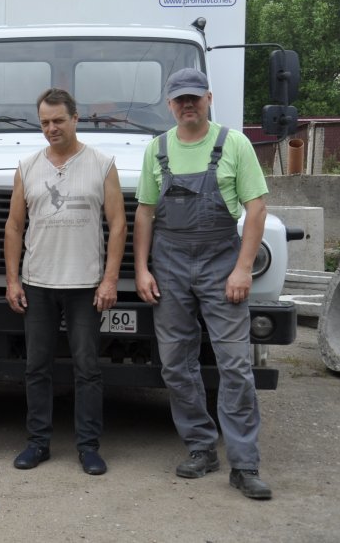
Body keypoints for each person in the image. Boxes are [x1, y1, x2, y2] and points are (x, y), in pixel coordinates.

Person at [134, 68, 273, 500]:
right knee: (176, 362)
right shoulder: (157, 148)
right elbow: (144, 214)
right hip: (169, 263)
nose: (187, 104)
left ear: (208, 98)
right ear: (169, 104)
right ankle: (200, 447)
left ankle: (245, 463)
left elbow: (256, 209)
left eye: (194, 97)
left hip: (221, 261)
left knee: (234, 364)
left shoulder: (234, 144)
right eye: (180, 99)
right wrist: (142, 268)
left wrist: (243, 268)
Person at [3, 89, 125, 475]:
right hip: (38, 282)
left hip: (85, 284)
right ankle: (37, 443)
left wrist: (109, 280)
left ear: (76, 118)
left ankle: (88, 447)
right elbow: (14, 225)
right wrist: (12, 279)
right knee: (36, 367)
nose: (51, 128)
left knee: (87, 368)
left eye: (58, 120)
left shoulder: (102, 164)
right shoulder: (27, 166)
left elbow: (118, 224)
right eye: (44, 122)